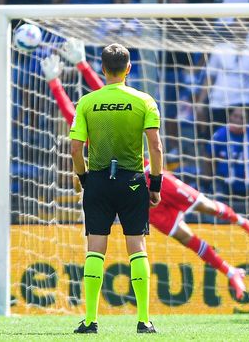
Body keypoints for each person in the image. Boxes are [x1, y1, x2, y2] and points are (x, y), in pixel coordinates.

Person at [42, 40, 249, 302]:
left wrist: (60, 79)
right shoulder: (127, 104)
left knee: (206, 206)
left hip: (138, 178)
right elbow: (99, 99)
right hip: (138, 183)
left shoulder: (99, 111)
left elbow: (89, 104)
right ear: (129, 68)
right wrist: (77, 68)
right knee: (184, 237)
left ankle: (241, 222)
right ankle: (230, 271)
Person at [69, 44, 161, 334]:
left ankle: (90, 320)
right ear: (129, 68)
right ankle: (144, 321)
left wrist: (84, 178)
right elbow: (155, 147)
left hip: (97, 181)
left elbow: (74, 148)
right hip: (132, 181)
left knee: (95, 248)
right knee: (137, 247)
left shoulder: (87, 102)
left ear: (102, 68)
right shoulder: (144, 100)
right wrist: (155, 184)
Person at [210, 106, 249, 198]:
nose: (238, 120)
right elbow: (210, 158)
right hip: (227, 186)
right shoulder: (219, 135)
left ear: (247, 120)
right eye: (235, 116)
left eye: (242, 118)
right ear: (229, 117)